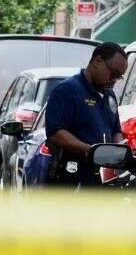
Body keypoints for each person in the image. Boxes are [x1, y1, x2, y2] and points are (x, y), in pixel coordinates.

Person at [45, 42, 128, 188]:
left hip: (100, 179)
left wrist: (120, 150)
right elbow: (55, 132)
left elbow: (115, 130)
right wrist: (89, 150)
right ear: (97, 61)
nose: (114, 80)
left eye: (119, 77)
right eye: (113, 73)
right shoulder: (67, 90)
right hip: (70, 178)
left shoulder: (109, 96)